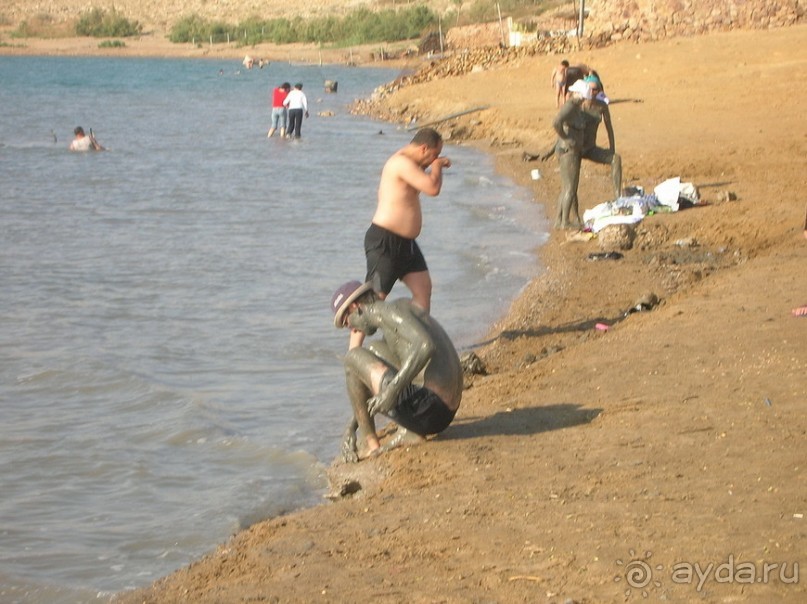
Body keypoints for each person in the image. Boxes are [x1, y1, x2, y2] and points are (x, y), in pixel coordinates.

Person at [330, 280, 463, 462]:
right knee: (374, 351)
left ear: (356, 306)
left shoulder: (388, 313)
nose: (352, 329)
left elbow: (425, 346)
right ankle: (407, 431)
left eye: (347, 322)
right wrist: (352, 427)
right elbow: (368, 381)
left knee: (352, 358)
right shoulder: (398, 310)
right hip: (444, 410)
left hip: (431, 409)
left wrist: (392, 391)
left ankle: (372, 445)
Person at [550, 79, 590, 229]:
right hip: (568, 151)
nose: (586, 99)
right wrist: (566, 138)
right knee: (570, 188)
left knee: (566, 186)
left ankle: (559, 220)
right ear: (579, 95)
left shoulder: (575, 106)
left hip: (567, 150)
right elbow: (556, 122)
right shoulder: (570, 106)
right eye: (585, 96)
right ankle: (565, 222)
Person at [579, 77, 622, 200]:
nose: (592, 92)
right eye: (590, 89)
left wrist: (612, 149)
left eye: (596, 90)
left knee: (616, 159)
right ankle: (572, 214)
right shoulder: (578, 104)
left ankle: (618, 198)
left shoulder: (601, 106)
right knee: (571, 186)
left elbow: (609, 128)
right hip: (576, 149)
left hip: (590, 148)